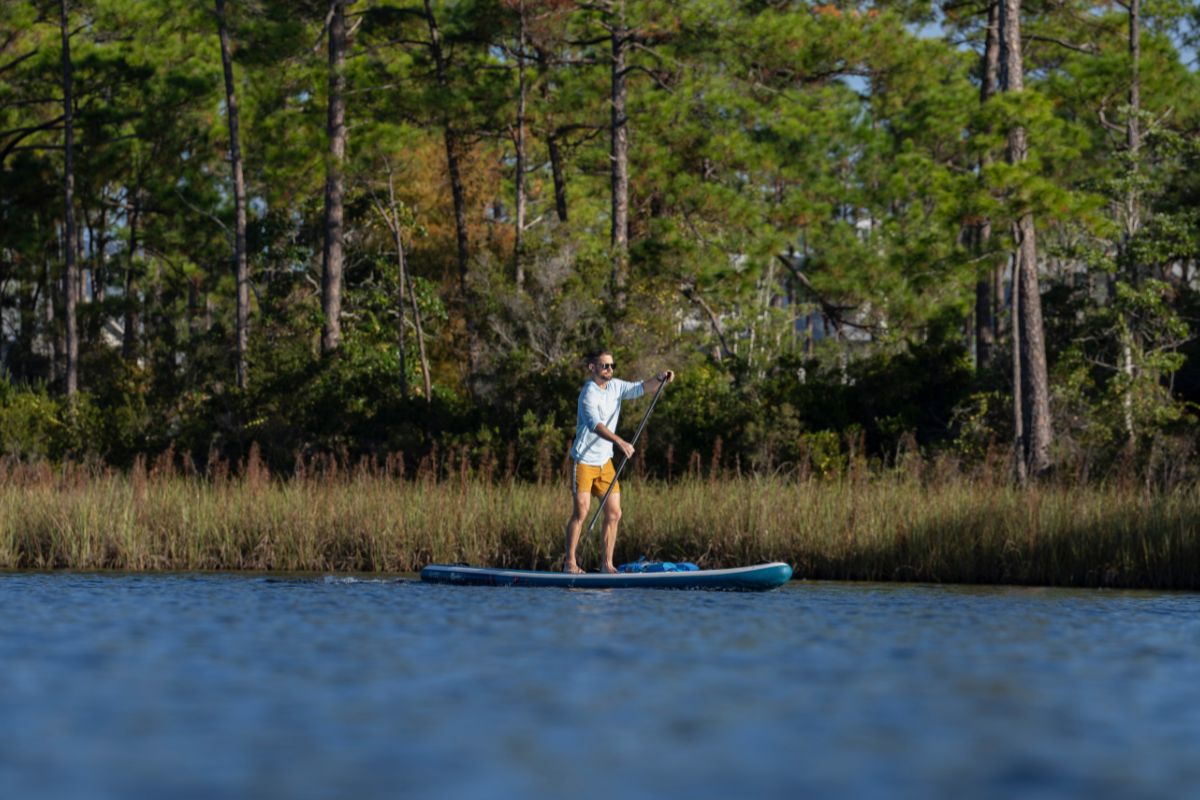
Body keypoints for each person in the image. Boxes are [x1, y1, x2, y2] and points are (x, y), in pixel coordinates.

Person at [563, 350, 675, 574]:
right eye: (604, 366)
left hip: (605, 463)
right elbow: (596, 425)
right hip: (584, 462)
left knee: (614, 512)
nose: (610, 370)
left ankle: (607, 565)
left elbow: (641, 388)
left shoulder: (615, 387)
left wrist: (660, 378)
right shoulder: (588, 394)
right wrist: (620, 442)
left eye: (612, 365)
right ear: (592, 368)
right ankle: (570, 563)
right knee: (582, 512)